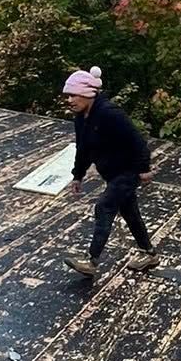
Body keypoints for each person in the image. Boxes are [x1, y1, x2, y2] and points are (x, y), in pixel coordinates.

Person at [60, 68, 158, 279]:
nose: (70, 100)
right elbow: (83, 149)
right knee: (131, 213)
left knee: (104, 207)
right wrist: (78, 175)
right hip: (111, 173)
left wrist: (144, 169)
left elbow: (138, 141)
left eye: (73, 94)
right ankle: (149, 254)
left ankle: (92, 261)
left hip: (128, 171)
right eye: (68, 95)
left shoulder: (109, 113)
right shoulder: (81, 118)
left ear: (88, 94)